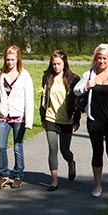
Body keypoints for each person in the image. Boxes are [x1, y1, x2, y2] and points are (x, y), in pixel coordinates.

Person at [73, 44, 108, 198]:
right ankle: (97, 185)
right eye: (99, 58)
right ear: (95, 59)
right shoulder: (89, 74)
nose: (102, 61)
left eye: (105, 59)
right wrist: (86, 86)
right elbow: (76, 90)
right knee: (97, 152)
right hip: (94, 119)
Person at [0, 45, 34, 190]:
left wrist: (29, 120)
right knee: (1, 146)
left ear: (18, 59)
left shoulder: (24, 75)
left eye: (12, 60)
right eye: (7, 60)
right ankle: (3, 175)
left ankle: (18, 174)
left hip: (19, 115)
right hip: (4, 115)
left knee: (17, 146)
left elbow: (29, 98)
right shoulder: (0, 73)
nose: (10, 63)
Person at [39, 50, 80, 191]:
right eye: (54, 64)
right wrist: (42, 117)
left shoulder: (73, 79)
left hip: (66, 119)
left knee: (64, 150)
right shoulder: (47, 77)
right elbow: (43, 99)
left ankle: (71, 162)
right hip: (50, 118)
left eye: (59, 64)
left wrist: (77, 119)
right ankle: (54, 181)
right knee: (52, 149)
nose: (56, 66)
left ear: (64, 63)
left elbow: (77, 102)